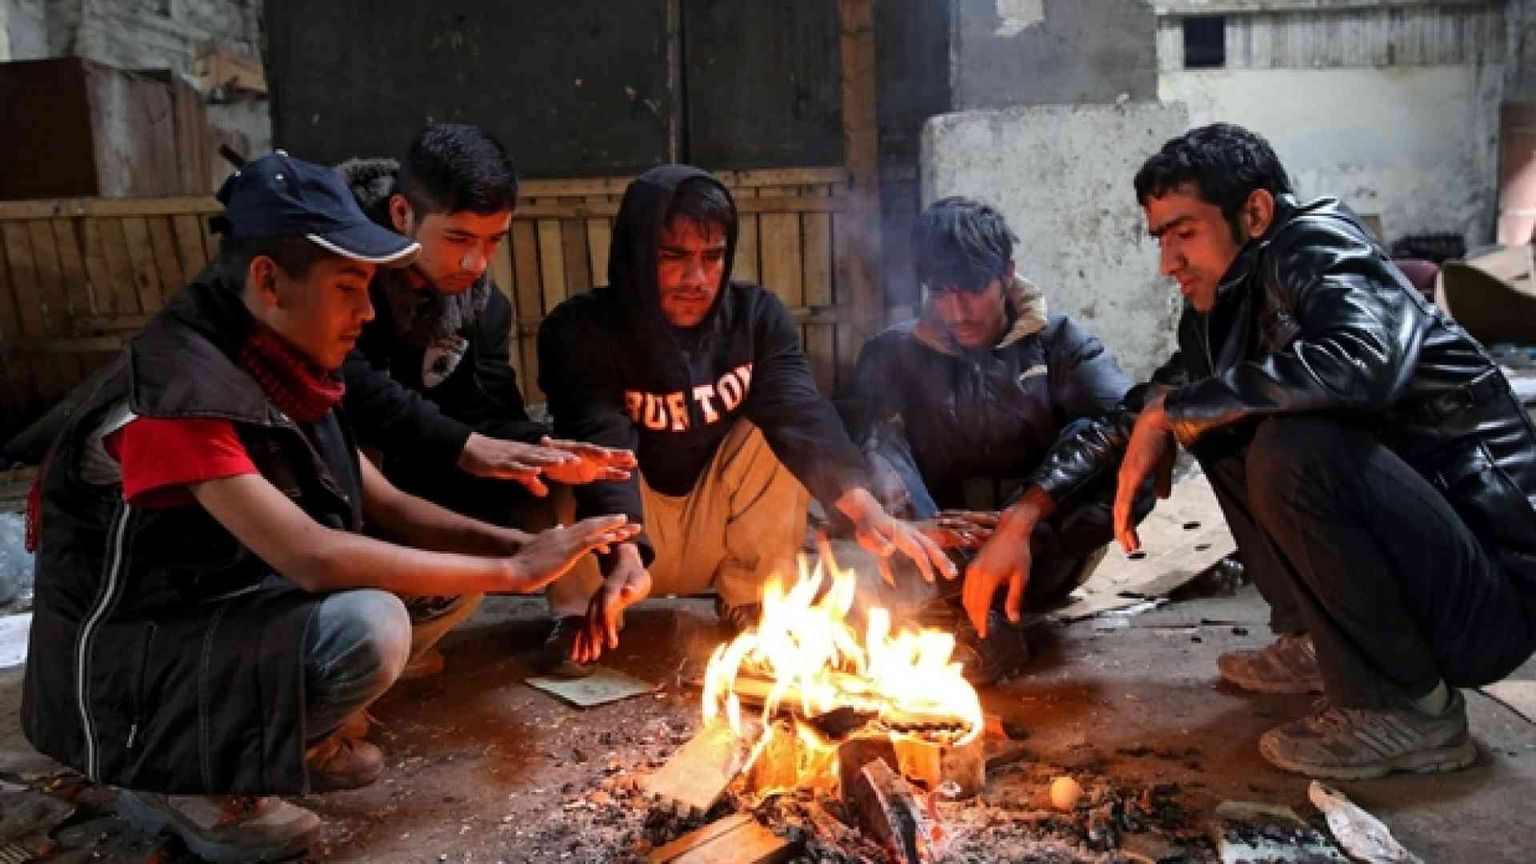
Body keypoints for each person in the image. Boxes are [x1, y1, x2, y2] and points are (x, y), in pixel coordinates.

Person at [20, 153, 636, 861]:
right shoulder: (178, 395)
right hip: (135, 670)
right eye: (348, 289)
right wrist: (515, 573)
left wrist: (515, 549)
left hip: (222, 604)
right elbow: (311, 557)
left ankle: (284, 739)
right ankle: (177, 778)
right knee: (370, 624)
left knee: (441, 577)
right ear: (268, 281)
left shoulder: (281, 359)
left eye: (369, 289)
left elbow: (385, 500)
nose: (366, 313)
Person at [968, 122, 1536, 779]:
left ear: (1256, 213)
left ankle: (1408, 707)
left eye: (1185, 233)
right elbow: (1138, 415)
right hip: (1433, 578)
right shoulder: (1223, 309)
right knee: (1216, 416)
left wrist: (1177, 411)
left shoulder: (1318, 245)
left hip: (1492, 595)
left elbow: (1363, 362)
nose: (1168, 263)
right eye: (1160, 240)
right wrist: (1024, 516)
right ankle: (1320, 643)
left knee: (1292, 445)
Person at [538, 164, 955, 668]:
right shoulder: (579, 329)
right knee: (572, 458)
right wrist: (624, 553)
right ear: (636, 255)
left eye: (711, 257)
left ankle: (755, 601)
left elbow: (801, 415)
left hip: (717, 526)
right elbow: (602, 435)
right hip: (625, 536)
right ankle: (579, 613)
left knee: (776, 431)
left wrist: (869, 514)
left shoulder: (754, 318)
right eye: (673, 257)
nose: (696, 279)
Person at [338, 124, 635, 677]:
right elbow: (345, 385)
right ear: (401, 214)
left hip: (426, 469)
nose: (476, 262)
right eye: (458, 239)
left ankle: (564, 619)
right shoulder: (341, 270)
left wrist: (540, 449)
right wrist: (464, 445)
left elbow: (488, 409)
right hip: (344, 476)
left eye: (493, 240)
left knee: (550, 476)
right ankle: (365, 646)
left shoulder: (480, 305)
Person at [841, 196, 1143, 682]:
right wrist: (915, 526)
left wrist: (1023, 522)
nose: (958, 313)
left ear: (1007, 275)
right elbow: (855, 455)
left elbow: (1130, 422)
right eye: (941, 294)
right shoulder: (893, 354)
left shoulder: (1060, 344)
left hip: (1041, 557)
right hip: (935, 557)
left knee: (1117, 445)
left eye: (974, 290)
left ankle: (990, 611)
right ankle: (959, 604)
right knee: (875, 440)